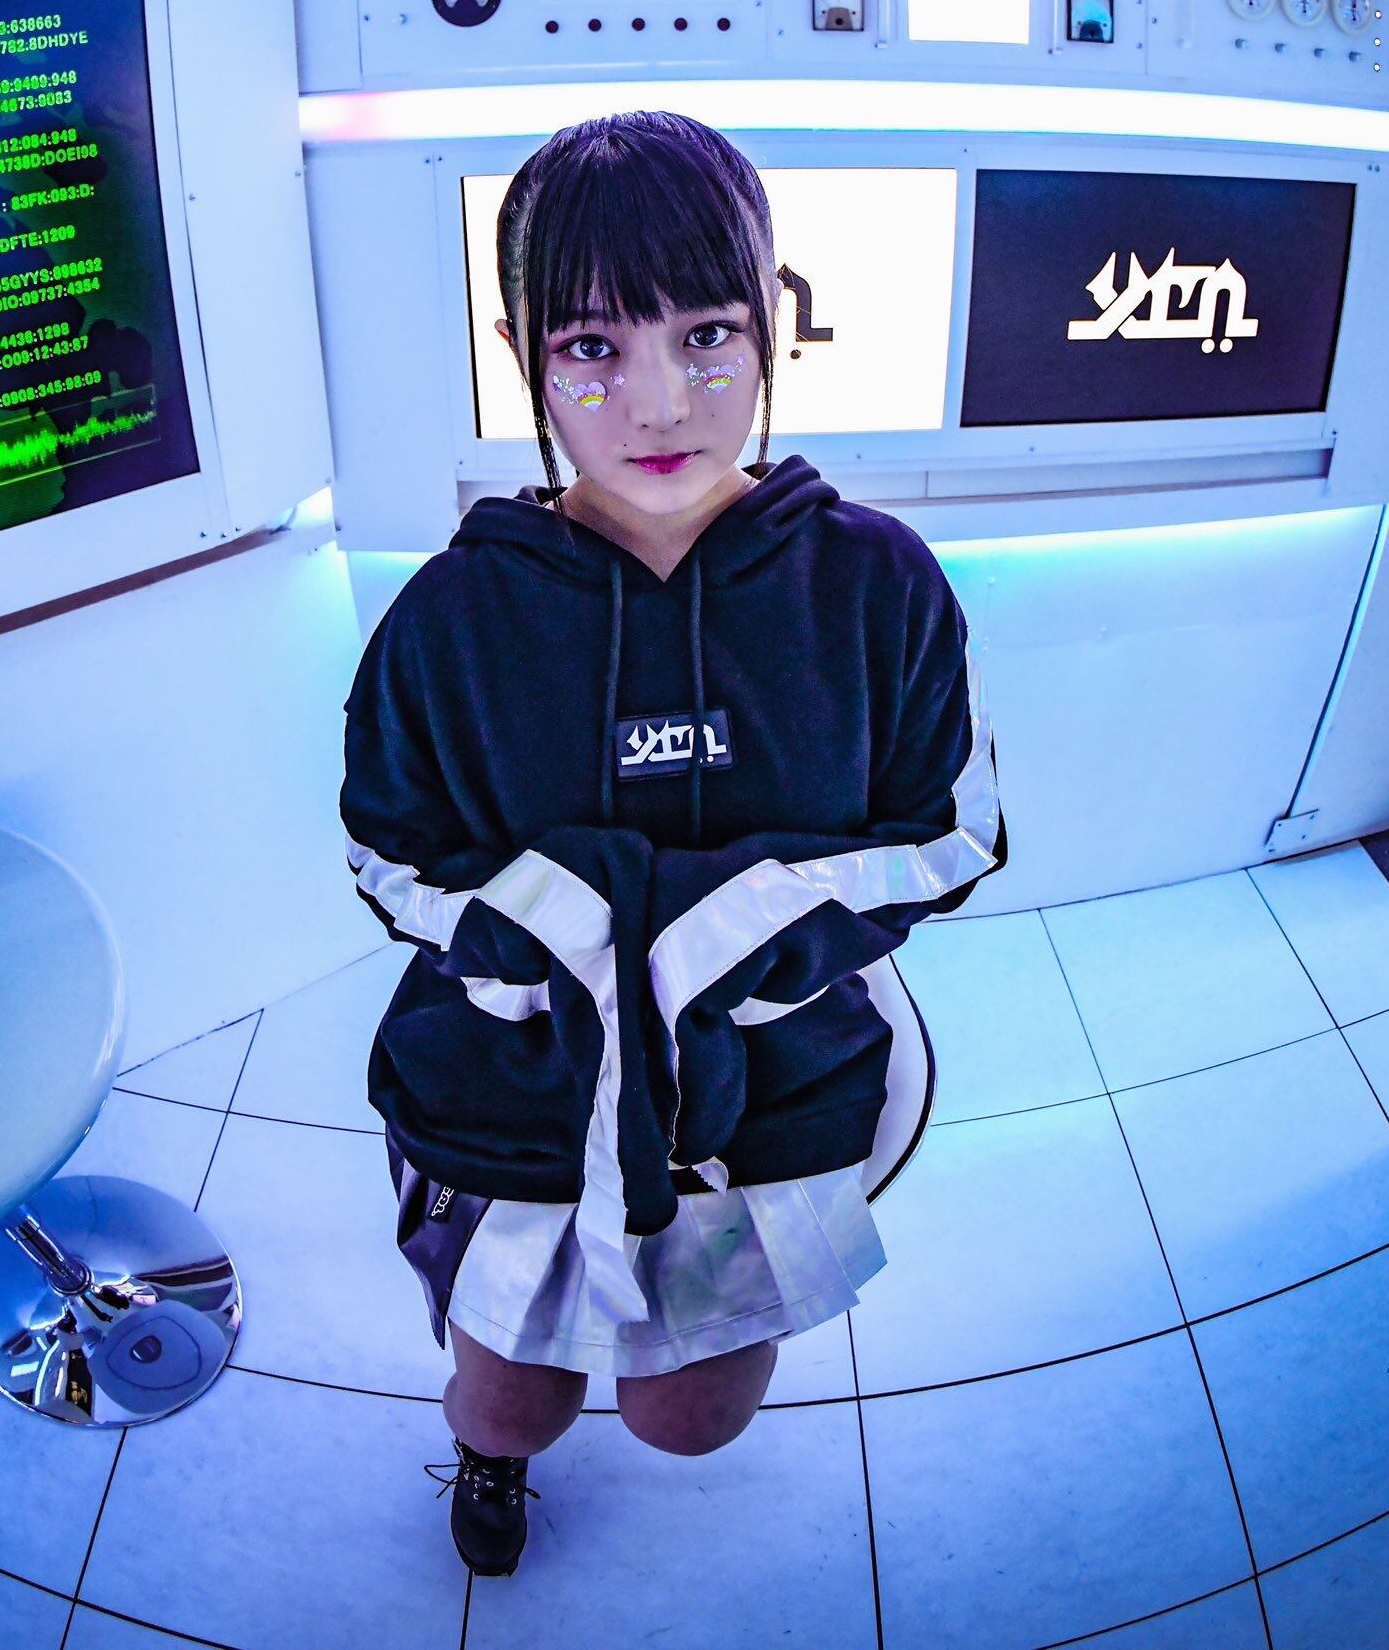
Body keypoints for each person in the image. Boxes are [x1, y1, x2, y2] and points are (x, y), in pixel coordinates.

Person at [339, 109, 1007, 1577]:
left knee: (691, 1417)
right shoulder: (451, 621)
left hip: (767, 1097)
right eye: (593, 347)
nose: (659, 402)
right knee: (508, 1398)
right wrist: (564, 945)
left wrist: (720, 943)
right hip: (519, 1097)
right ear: (524, 356)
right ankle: (488, 1460)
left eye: (706, 335)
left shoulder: (877, 585)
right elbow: (388, 851)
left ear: (773, 325)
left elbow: (954, 831)